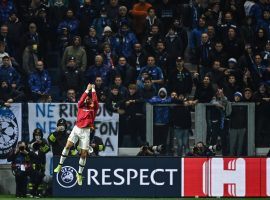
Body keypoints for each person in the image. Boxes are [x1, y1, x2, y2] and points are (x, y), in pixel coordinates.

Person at [54, 83, 99, 185]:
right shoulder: (80, 106)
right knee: (68, 145)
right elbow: (82, 98)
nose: (87, 99)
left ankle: (79, 174)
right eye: (86, 99)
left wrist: (93, 90)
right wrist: (87, 90)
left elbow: (95, 100)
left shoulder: (94, 108)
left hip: (86, 131)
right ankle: (60, 165)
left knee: (83, 155)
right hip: (77, 128)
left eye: (89, 99)